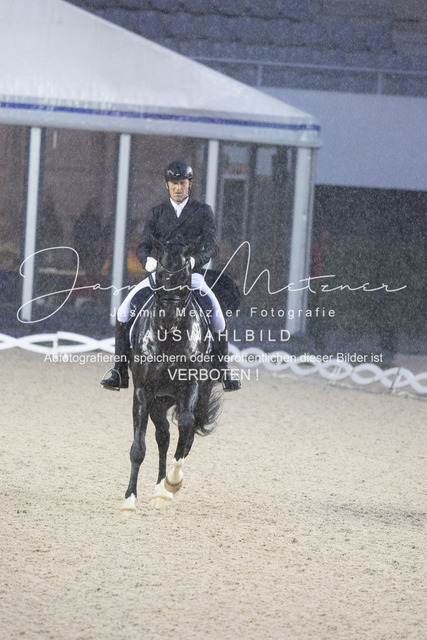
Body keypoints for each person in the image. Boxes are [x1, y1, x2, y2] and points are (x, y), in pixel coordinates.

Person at [101, 160, 240, 392]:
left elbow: (212, 246)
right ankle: (119, 370)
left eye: (182, 183)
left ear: (190, 184)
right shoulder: (157, 213)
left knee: (217, 318)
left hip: (191, 276)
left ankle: (222, 370)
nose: (178, 188)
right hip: (161, 277)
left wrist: (195, 260)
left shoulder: (202, 212)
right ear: (167, 185)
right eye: (174, 183)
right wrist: (147, 261)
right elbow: (143, 246)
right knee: (123, 312)